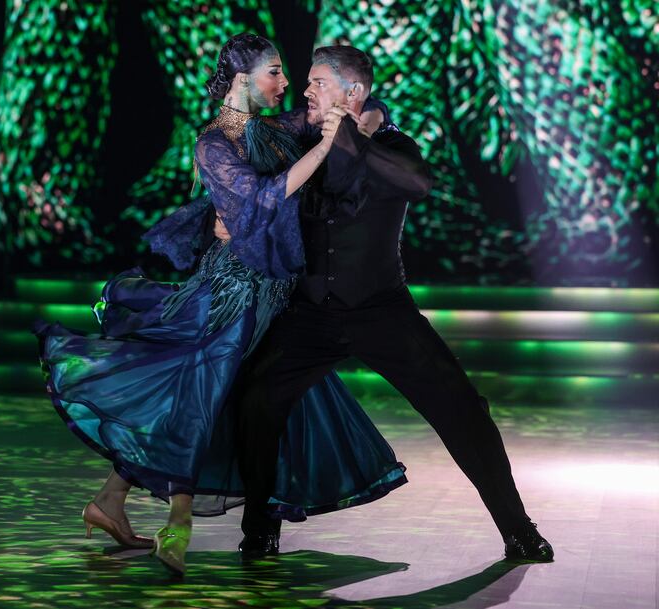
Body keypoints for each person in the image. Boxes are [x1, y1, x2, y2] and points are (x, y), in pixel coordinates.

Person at [34, 33, 407, 577]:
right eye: (275, 72)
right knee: (204, 392)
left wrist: (365, 122)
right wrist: (326, 149)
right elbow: (258, 202)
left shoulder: (276, 128)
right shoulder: (213, 143)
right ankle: (178, 523)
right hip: (234, 290)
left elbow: (365, 102)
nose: (288, 83)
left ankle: (111, 500)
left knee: (222, 396)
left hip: (276, 292)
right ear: (242, 79)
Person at [235, 45, 554, 563]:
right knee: (256, 401)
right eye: (308, 82)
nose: (306, 90)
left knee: (462, 409)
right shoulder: (298, 141)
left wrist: (356, 134)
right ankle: (259, 528)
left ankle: (517, 528)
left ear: (353, 92)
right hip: (311, 312)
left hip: (380, 308)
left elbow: (418, 183)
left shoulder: (392, 144)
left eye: (318, 82)